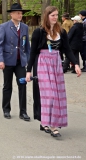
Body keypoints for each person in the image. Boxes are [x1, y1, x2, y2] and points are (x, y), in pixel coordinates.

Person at [26, 6, 81, 137]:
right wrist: (29, 71)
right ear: (47, 16)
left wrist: (76, 64)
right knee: (49, 95)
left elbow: (67, 49)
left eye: (57, 15)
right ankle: (48, 123)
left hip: (56, 63)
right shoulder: (39, 32)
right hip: (43, 64)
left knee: (57, 96)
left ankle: (53, 125)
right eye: (53, 15)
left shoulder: (61, 32)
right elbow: (33, 52)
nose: (55, 17)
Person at [0, 3, 31, 121]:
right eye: (18, 13)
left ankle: (23, 111)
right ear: (11, 14)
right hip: (8, 60)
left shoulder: (24, 27)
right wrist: (0, 60)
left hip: (20, 61)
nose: (20, 15)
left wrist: (29, 62)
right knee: (7, 86)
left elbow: (27, 46)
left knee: (22, 85)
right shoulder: (4, 27)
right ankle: (6, 109)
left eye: (21, 13)